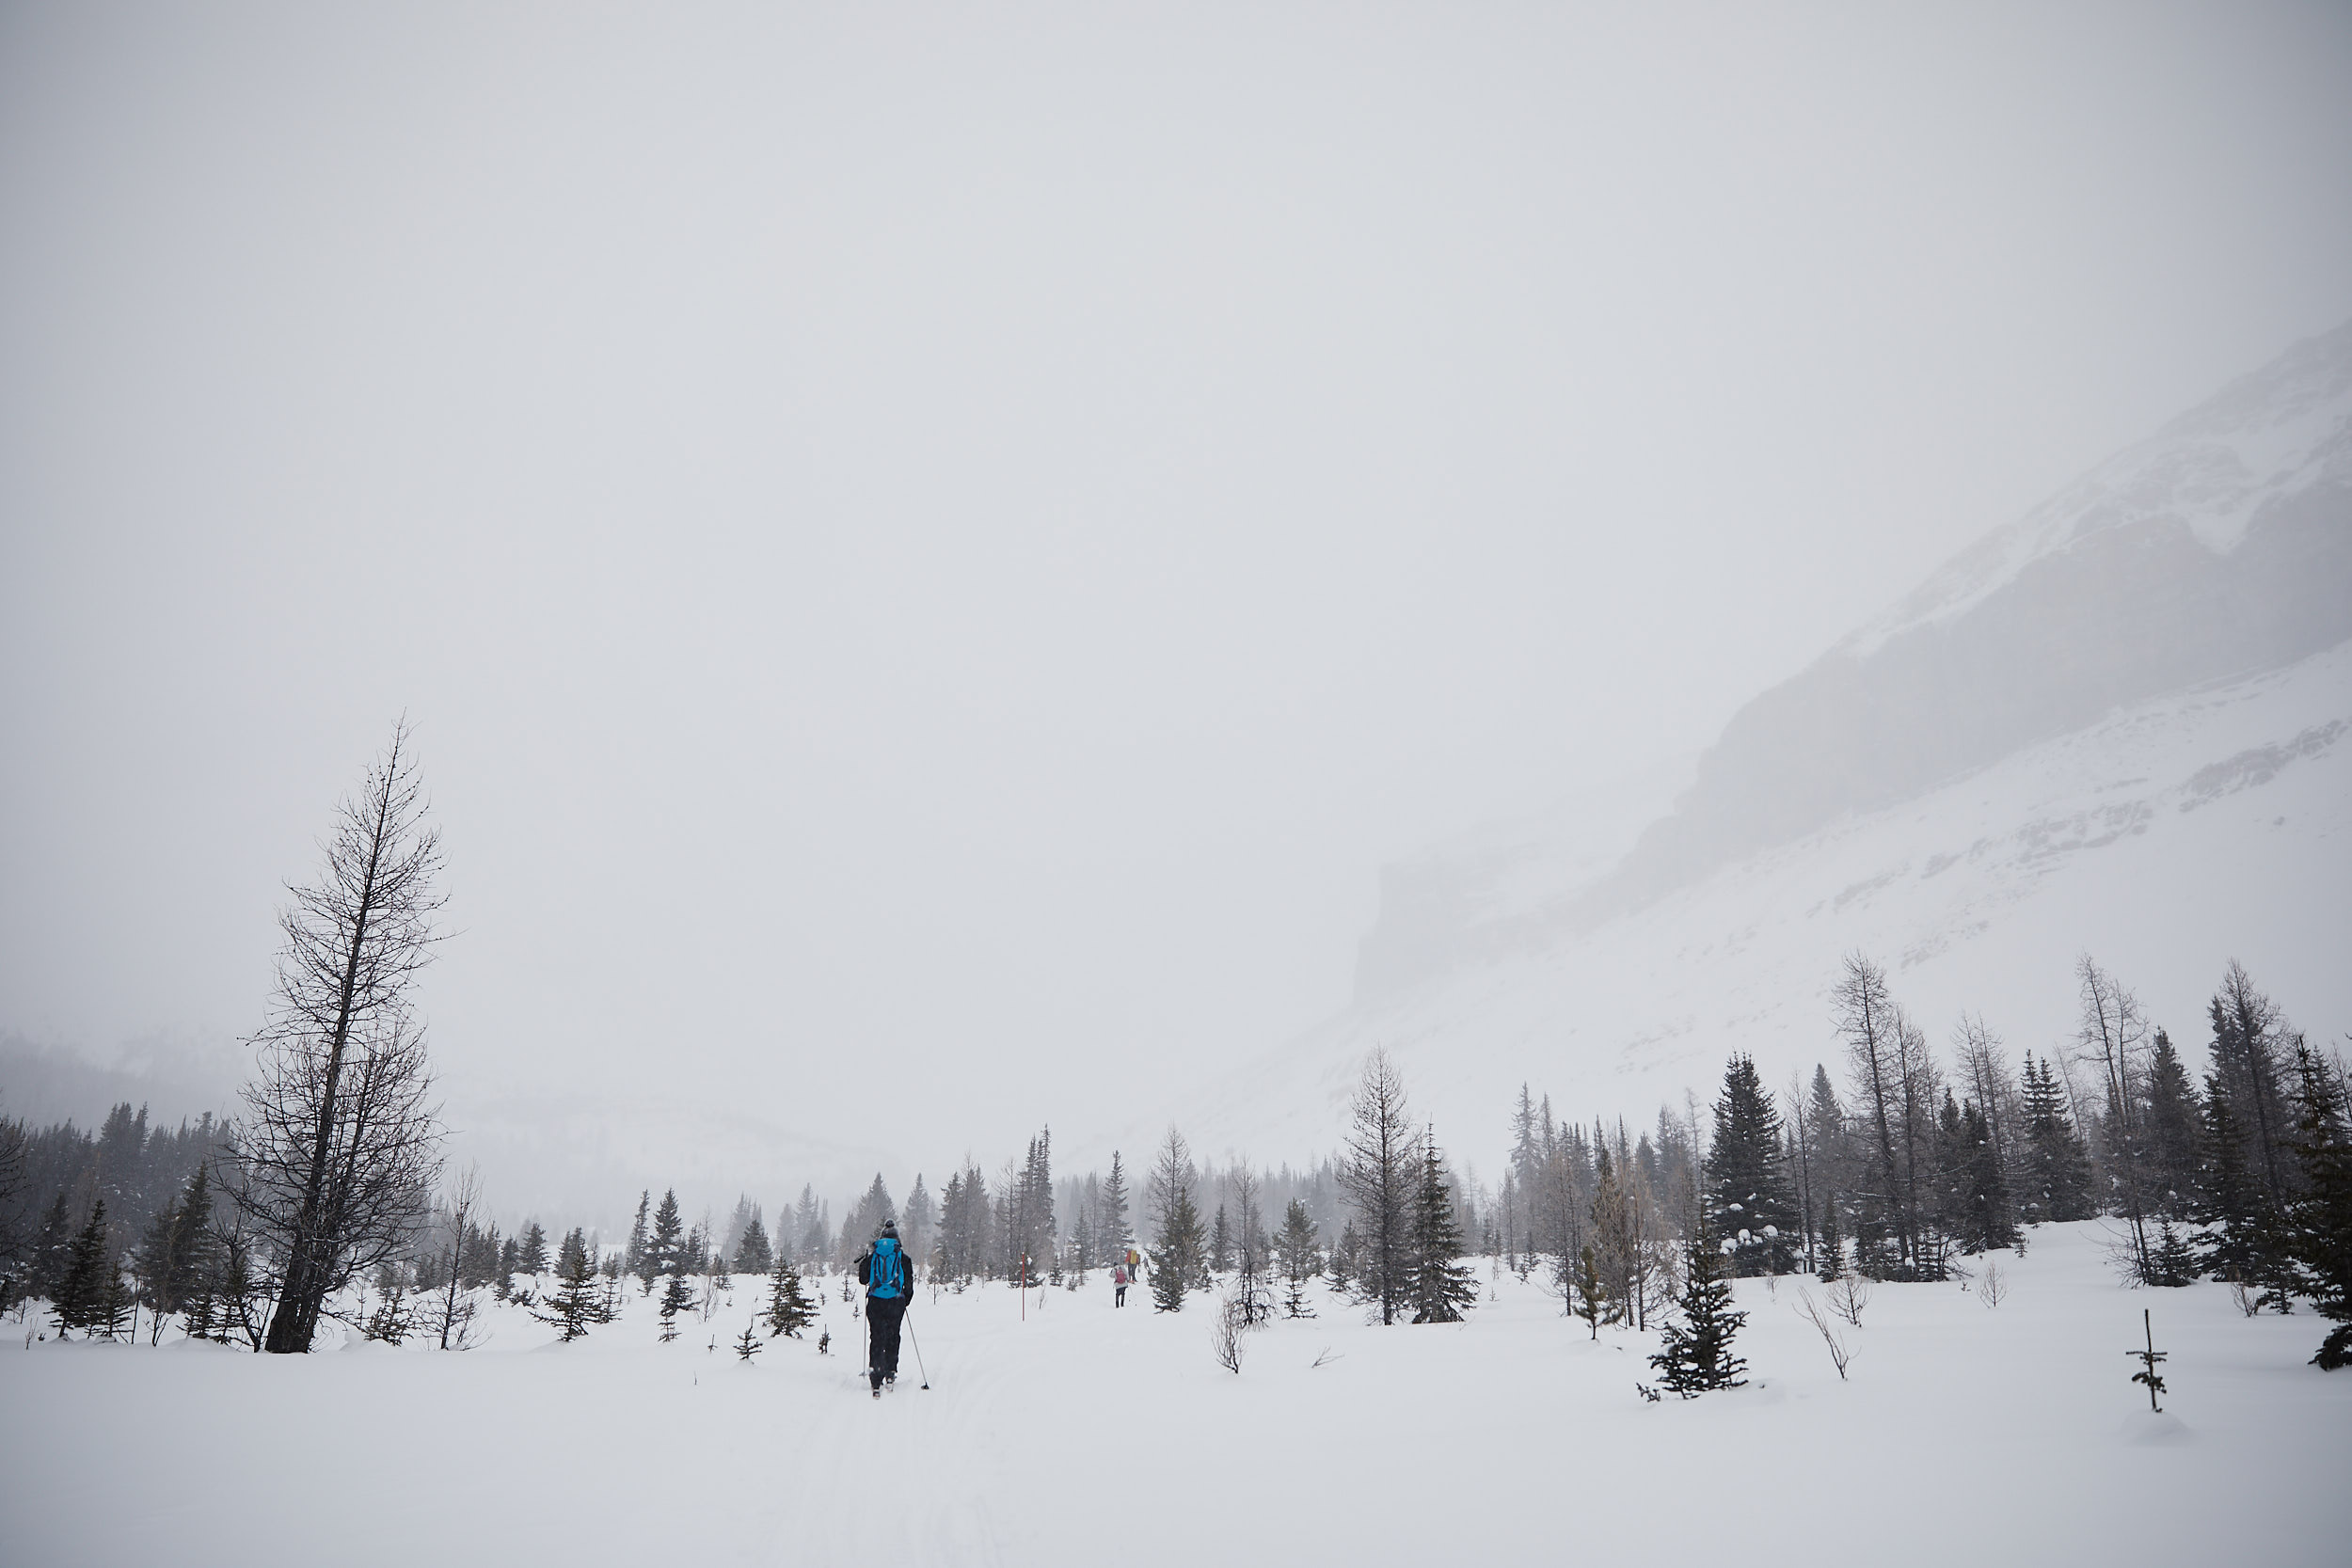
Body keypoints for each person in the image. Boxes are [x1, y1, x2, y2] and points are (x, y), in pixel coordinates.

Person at [855, 1220, 910, 1397]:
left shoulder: (873, 1257)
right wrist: (904, 1300)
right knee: (893, 1336)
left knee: (876, 1336)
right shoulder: (903, 1258)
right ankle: (890, 1372)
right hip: (895, 1302)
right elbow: (909, 1285)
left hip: (875, 1302)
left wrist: (865, 1261)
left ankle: (875, 1374)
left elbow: (863, 1280)